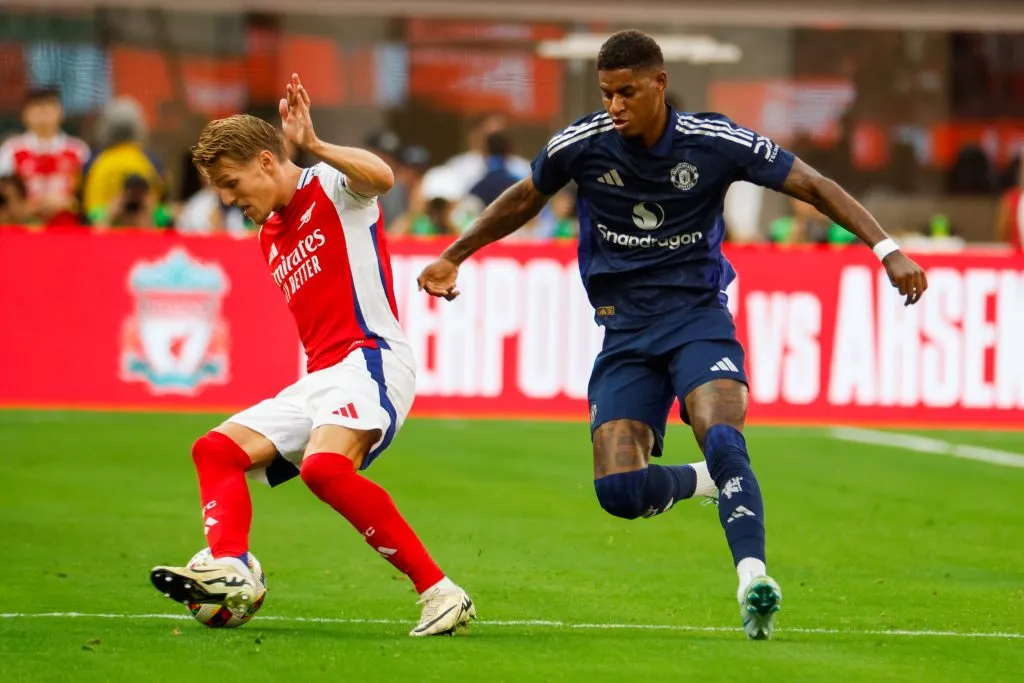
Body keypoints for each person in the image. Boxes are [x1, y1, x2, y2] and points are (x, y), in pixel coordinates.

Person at [418, 30, 928, 640]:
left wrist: (887, 248)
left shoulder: (714, 141)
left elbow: (814, 185)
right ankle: (704, 481)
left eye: (627, 92)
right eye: (607, 93)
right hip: (624, 331)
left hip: (696, 320)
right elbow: (526, 196)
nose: (614, 106)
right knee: (621, 493)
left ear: (658, 84)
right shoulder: (583, 144)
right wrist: (455, 254)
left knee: (721, 429)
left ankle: (752, 578)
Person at [149, 74, 476, 637]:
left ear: (267, 161)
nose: (229, 199)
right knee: (216, 450)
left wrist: (317, 145)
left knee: (325, 469)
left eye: (232, 183)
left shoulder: (330, 185)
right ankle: (230, 565)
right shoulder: (267, 234)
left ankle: (441, 593)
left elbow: (382, 178)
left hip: (372, 359)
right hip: (323, 375)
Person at [0, 87, 89, 227]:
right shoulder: (10, 151)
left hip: (68, 228)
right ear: (25, 114)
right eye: (37, 108)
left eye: (49, 107)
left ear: (60, 112)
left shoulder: (78, 150)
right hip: (23, 229)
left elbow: (88, 196)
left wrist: (68, 203)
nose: (43, 114)